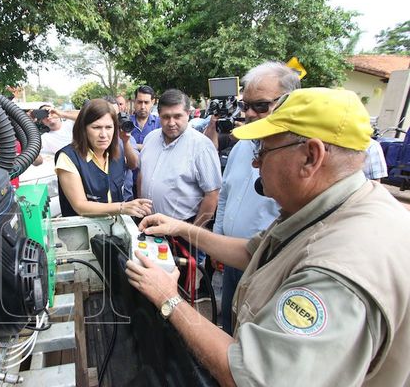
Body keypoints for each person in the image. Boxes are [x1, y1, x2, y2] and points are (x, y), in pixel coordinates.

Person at [126, 87, 410, 386]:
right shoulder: (335, 206)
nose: (255, 163)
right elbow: (252, 252)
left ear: (310, 157)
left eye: (263, 150)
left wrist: (169, 299)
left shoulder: (338, 269)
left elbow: (251, 376)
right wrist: (182, 227)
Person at [215, 61, 299, 335]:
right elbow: (225, 194)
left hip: (268, 267)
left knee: (251, 337)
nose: (250, 113)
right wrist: (218, 241)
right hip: (233, 259)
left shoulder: (296, 157)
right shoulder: (242, 147)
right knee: (228, 326)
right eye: (245, 105)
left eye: (260, 105)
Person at [138, 89, 222, 261]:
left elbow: (212, 194)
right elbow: (142, 175)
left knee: (181, 285)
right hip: (149, 226)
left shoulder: (201, 146)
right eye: (166, 117)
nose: (171, 122)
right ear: (158, 115)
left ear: (188, 114)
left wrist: (194, 235)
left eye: (177, 116)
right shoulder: (150, 139)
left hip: (182, 234)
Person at [54, 98, 152, 217]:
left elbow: (133, 164)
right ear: (83, 129)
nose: (103, 135)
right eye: (96, 127)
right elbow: (80, 206)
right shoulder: (68, 157)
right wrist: (122, 207)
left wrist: (126, 142)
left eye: (109, 127)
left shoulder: (118, 151)